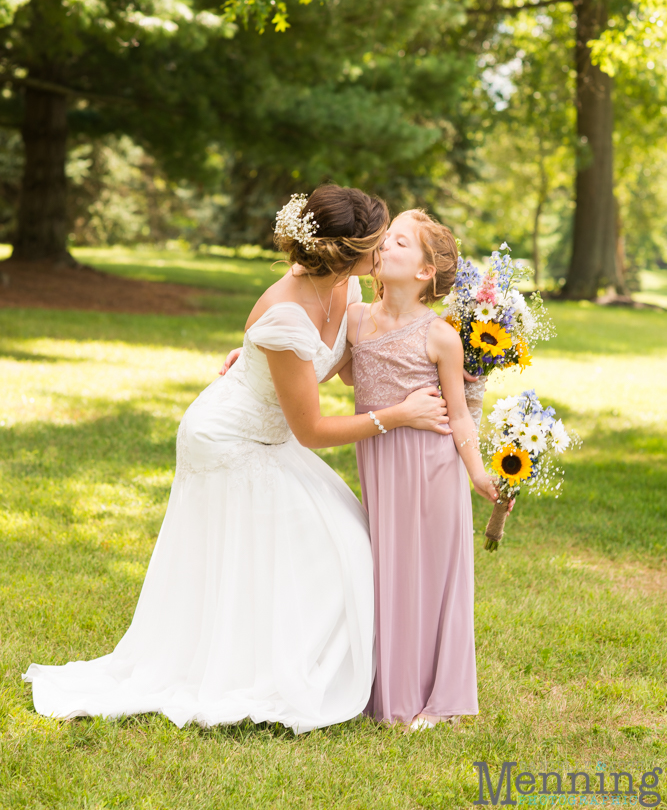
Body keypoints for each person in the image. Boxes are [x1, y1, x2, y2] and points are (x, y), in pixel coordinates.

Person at [24, 186, 450, 734]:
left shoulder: (343, 290)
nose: (384, 250)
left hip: (270, 433)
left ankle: (293, 657)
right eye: (378, 242)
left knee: (345, 538)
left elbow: (353, 355)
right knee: (298, 552)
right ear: (349, 253)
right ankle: (255, 669)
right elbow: (314, 429)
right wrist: (401, 413)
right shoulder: (286, 315)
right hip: (229, 441)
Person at [344, 208, 498, 731]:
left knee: (430, 575)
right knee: (388, 572)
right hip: (381, 460)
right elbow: (320, 369)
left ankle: (437, 697)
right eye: (385, 241)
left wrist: (478, 474)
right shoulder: (356, 319)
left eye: (400, 243)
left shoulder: (440, 337)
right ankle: (389, 690)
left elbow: (459, 416)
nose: (384, 247)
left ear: (424, 272)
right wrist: (247, 352)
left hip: (432, 468)